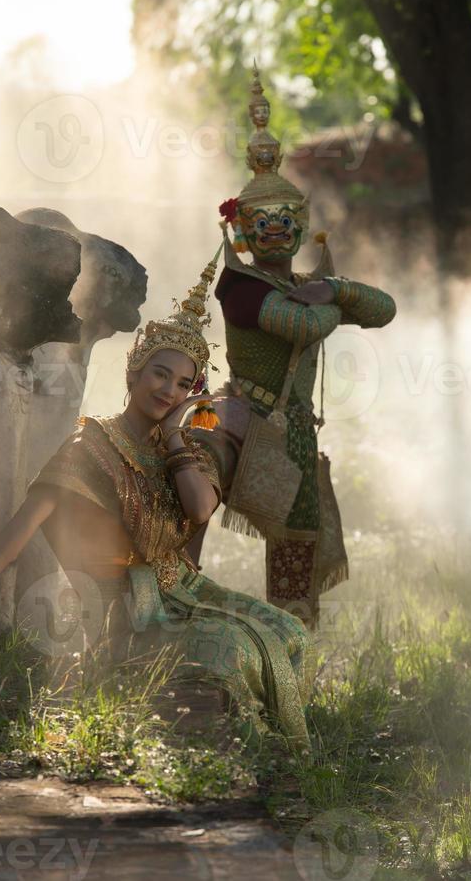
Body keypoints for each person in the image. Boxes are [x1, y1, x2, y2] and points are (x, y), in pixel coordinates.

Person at [0, 251, 315, 748]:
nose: (169, 390)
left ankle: (279, 747)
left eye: (184, 384)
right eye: (160, 374)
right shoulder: (92, 446)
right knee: (233, 650)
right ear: (134, 373)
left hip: (186, 593)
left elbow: (200, 509)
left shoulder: (183, 450)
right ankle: (239, 748)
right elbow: (30, 516)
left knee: (288, 631)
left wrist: (171, 438)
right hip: (130, 611)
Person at [187, 66, 397, 628]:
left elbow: (384, 310)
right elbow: (301, 329)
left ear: (302, 224)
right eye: (264, 221)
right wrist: (330, 302)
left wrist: (337, 287)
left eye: (286, 220)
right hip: (235, 417)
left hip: (294, 430)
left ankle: (289, 656)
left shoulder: (305, 287)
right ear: (242, 230)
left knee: (296, 556)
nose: (276, 231)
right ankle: (172, 626)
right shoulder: (239, 285)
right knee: (183, 512)